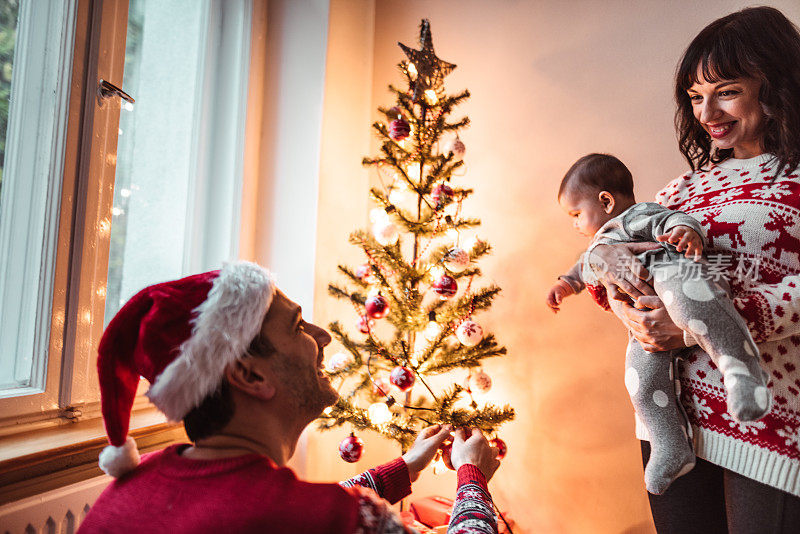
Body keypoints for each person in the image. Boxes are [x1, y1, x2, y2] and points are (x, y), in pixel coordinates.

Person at [78, 261, 501, 533]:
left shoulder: (134, 487)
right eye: (298, 326)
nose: (324, 337)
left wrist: (406, 467)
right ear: (248, 373)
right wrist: (471, 475)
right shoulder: (323, 520)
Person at [587, 6, 800, 533]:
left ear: (774, 87)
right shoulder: (684, 189)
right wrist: (615, 284)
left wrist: (695, 326)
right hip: (670, 423)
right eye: (694, 96)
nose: (707, 112)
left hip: (768, 422)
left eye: (725, 91)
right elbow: (634, 266)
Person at [546, 153, 770, 495]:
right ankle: (669, 444)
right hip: (646, 319)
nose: (575, 224)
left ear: (605, 201)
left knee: (689, 299)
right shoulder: (598, 245)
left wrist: (685, 233)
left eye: (576, 214)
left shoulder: (637, 215)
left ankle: (741, 369)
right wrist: (565, 284)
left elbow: (674, 221)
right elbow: (584, 269)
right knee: (640, 378)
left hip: (678, 277)